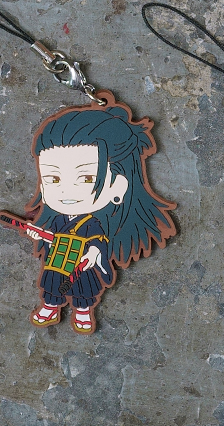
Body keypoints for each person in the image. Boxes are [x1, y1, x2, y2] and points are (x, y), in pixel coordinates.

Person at [16, 98, 176, 334]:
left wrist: (93, 253)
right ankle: (50, 307)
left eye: (86, 178)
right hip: (59, 260)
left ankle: (82, 311)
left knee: (83, 289)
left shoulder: (93, 224)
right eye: (53, 179)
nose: (66, 191)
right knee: (51, 284)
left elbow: (99, 241)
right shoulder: (59, 220)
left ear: (118, 185)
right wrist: (39, 234)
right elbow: (51, 236)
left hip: (82, 263)